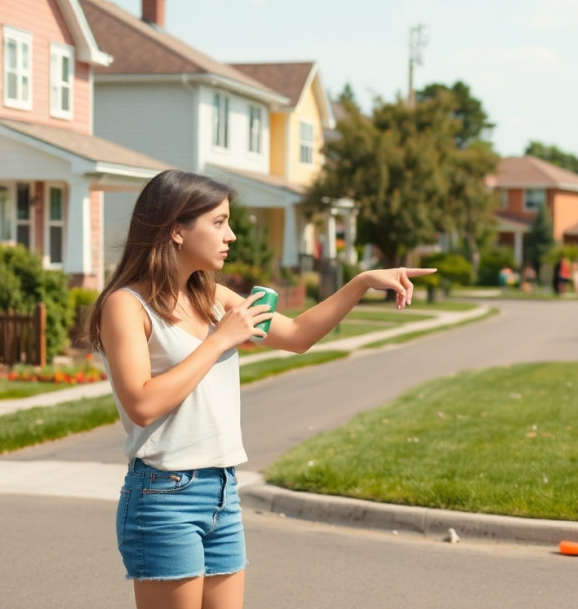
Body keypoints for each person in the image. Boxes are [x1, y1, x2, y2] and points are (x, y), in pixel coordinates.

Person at [87, 170, 434, 609]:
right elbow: (141, 404)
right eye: (218, 222)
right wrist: (218, 340)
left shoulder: (213, 297)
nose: (230, 235)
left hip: (222, 492)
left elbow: (299, 336)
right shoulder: (125, 305)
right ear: (176, 230)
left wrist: (362, 282)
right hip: (163, 496)